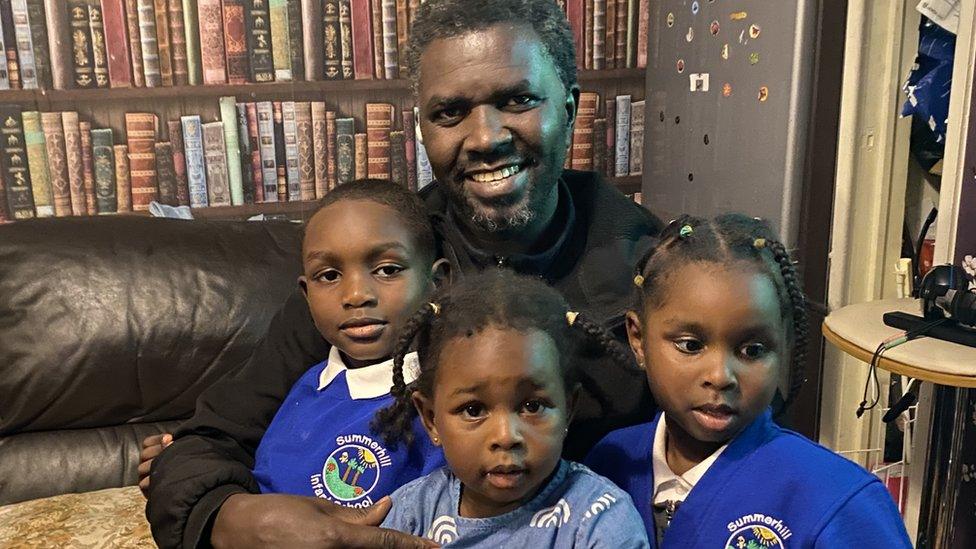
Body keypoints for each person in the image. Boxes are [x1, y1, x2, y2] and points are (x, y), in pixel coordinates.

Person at [146, 0, 661, 547]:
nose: (486, 137)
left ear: (570, 107)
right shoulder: (380, 263)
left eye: (518, 100)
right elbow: (205, 444)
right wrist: (225, 518)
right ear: (421, 129)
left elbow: (750, 438)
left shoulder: (650, 269)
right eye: (450, 113)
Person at [584, 215, 913, 547]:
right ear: (638, 339)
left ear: (784, 344)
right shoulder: (611, 462)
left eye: (752, 350)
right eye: (691, 346)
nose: (720, 376)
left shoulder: (836, 500)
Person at [376, 270, 649, 547]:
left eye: (532, 406)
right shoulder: (411, 515)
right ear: (431, 418)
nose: (506, 437)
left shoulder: (598, 519)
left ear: (568, 408)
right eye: (473, 410)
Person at [249, 179, 448, 505]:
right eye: (328, 276)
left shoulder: (444, 398)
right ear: (306, 294)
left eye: (386, 270)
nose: (356, 295)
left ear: (437, 282)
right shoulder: (304, 388)